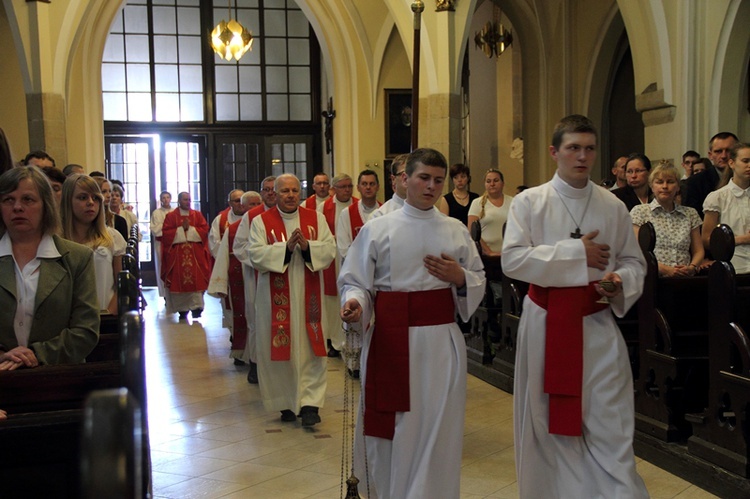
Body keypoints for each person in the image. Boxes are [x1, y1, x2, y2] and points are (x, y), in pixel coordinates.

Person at [502, 114, 647, 497]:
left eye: (589, 149)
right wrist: (575, 253)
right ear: (554, 152)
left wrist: (619, 283)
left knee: (610, 421)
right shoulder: (530, 202)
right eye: (573, 148)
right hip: (546, 323)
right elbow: (512, 260)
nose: (582, 156)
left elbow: (633, 262)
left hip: (597, 323)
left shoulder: (613, 206)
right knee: (546, 420)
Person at [339, 148, 485, 498]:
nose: (432, 186)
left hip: (440, 343)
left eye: (439, 180)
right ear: (405, 179)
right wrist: (355, 304)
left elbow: (477, 278)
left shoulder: (454, 230)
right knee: (396, 428)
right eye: (424, 178)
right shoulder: (378, 229)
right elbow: (354, 280)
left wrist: (460, 276)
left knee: (439, 425)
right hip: (391, 339)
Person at [247, 173, 336, 426]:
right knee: (279, 349)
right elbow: (254, 253)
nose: (290, 195)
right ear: (275, 193)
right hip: (274, 299)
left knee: (311, 349)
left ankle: (310, 405)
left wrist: (308, 247)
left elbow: (330, 249)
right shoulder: (262, 222)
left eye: (294, 191)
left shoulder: (315, 218)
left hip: (310, 297)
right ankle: (285, 402)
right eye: (284, 191)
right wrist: (285, 249)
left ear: (300, 192)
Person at [0, 166, 99, 371]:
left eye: (28, 199)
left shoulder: (77, 258)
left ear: (46, 205)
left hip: (58, 377)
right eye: (8, 200)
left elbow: (86, 330)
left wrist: (36, 355)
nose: (17, 207)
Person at [335, 169, 381, 378]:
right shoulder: (348, 214)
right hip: (358, 274)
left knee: (377, 318)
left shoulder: (386, 212)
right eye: (365, 184)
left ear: (378, 187)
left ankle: (374, 360)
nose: (369, 187)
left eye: (372, 183)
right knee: (356, 316)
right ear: (359, 187)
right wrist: (362, 262)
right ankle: (354, 363)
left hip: (380, 275)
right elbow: (344, 246)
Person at [60, 174, 127, 315]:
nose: (91, 203)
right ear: (68, 201)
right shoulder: (56, 240)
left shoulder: (112, 237)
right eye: (83, 197)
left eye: (95, 198)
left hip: (104, 315)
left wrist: (108, 314)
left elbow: (120, 286)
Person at [233, 177, 277, 384]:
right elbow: (239, 247)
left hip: (284, 275)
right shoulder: (251, 216)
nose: (270, 193)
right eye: (266, 190)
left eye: (273, 189)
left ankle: (278, 365)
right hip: (256, 277)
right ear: (261, 193)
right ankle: (256, 364)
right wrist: (262, 259)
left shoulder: (289, 215)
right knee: (256, 320)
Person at [207, 191, 259, 366]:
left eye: (257, 203)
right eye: (250, 204)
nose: (255, 207)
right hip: (236, 272)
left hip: (259, 275)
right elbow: (216, 248)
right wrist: (220, 283)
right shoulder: (224, 223)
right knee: (237, 313)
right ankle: (240, 350)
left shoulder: (264, 223)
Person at [630, 162, 704, 277]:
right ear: (652, 186)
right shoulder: (640, 212)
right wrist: (666, 270)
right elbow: (636, 251)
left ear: (678, 186)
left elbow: (698, 250)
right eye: (659, 182)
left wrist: (692, 267)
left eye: (670, 182)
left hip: (684, 279)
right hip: (652, 278)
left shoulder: (690, 213)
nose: (665, 186)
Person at [318, 173, 358, 358]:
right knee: (333, 302)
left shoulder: (357, 205)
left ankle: (352, 339)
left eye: (349, 186)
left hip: (354, 258)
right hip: (332, 261)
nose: (347, 190)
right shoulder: (324, 207)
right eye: (343, 187)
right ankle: (335, 340)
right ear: (334, 189)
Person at [161, 191, 211, 320]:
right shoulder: (171, 216)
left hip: (195, 255)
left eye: (189, 200)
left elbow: (205, 230)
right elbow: (166, 234)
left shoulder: (197, 215)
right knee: (178, 279)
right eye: (184, 200)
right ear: (178, 201)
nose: (187, 202)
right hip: (177, 255)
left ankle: (196, 308)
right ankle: (182, 310)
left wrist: (190, 230)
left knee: (197, 279)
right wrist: (181, 230)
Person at [702, 142, 750, 274]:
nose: (749, 165)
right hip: (733, 267)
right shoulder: (717, 197)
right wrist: (742, 239)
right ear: (732, 163)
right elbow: (706, 240)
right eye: (745, 161)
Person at [684, 132, 739, 218]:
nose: (724, 156)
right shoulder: (695, 182)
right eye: (718, 151)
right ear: (710, 155)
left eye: (728, 151)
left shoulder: (746, 179)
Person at [467, 168, 513, 256]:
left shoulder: (513, 202)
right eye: (488, 181)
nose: (492, 184)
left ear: (503, 183)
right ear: (485, 184)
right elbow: (471, 231)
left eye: (496, 180)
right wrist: (489, 252)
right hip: (485, 256)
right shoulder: (477, 203)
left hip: (508, 254)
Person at [209, 189, 244, 258]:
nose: (241, 203)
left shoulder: (252, 218)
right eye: (237, 201)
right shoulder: (220, 219)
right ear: (230, 203)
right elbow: (214, 243)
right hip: (228, 260)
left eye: (243, 200)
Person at [372, 153, 408, 219]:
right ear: (393, 179)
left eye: (412, 174)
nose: (408, 179)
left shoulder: (427, 211)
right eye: (404, 174)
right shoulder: (381, 215)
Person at [150, 191, 172, 299]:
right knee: (161, 266)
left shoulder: (174, 212)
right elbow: (155, 230)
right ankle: (164, 293)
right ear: (161, 199)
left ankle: (173, 291)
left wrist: (166, 228)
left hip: (172, 244)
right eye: (163, 198)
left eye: (168, 197)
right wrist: (166, 227)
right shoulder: (156, 213)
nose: (166, 199)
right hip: (160, 243)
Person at [93, 176, 128, 240]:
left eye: (109, 191)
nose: (109, 195)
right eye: (104, 192)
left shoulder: (119, 221)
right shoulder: (88, 220)